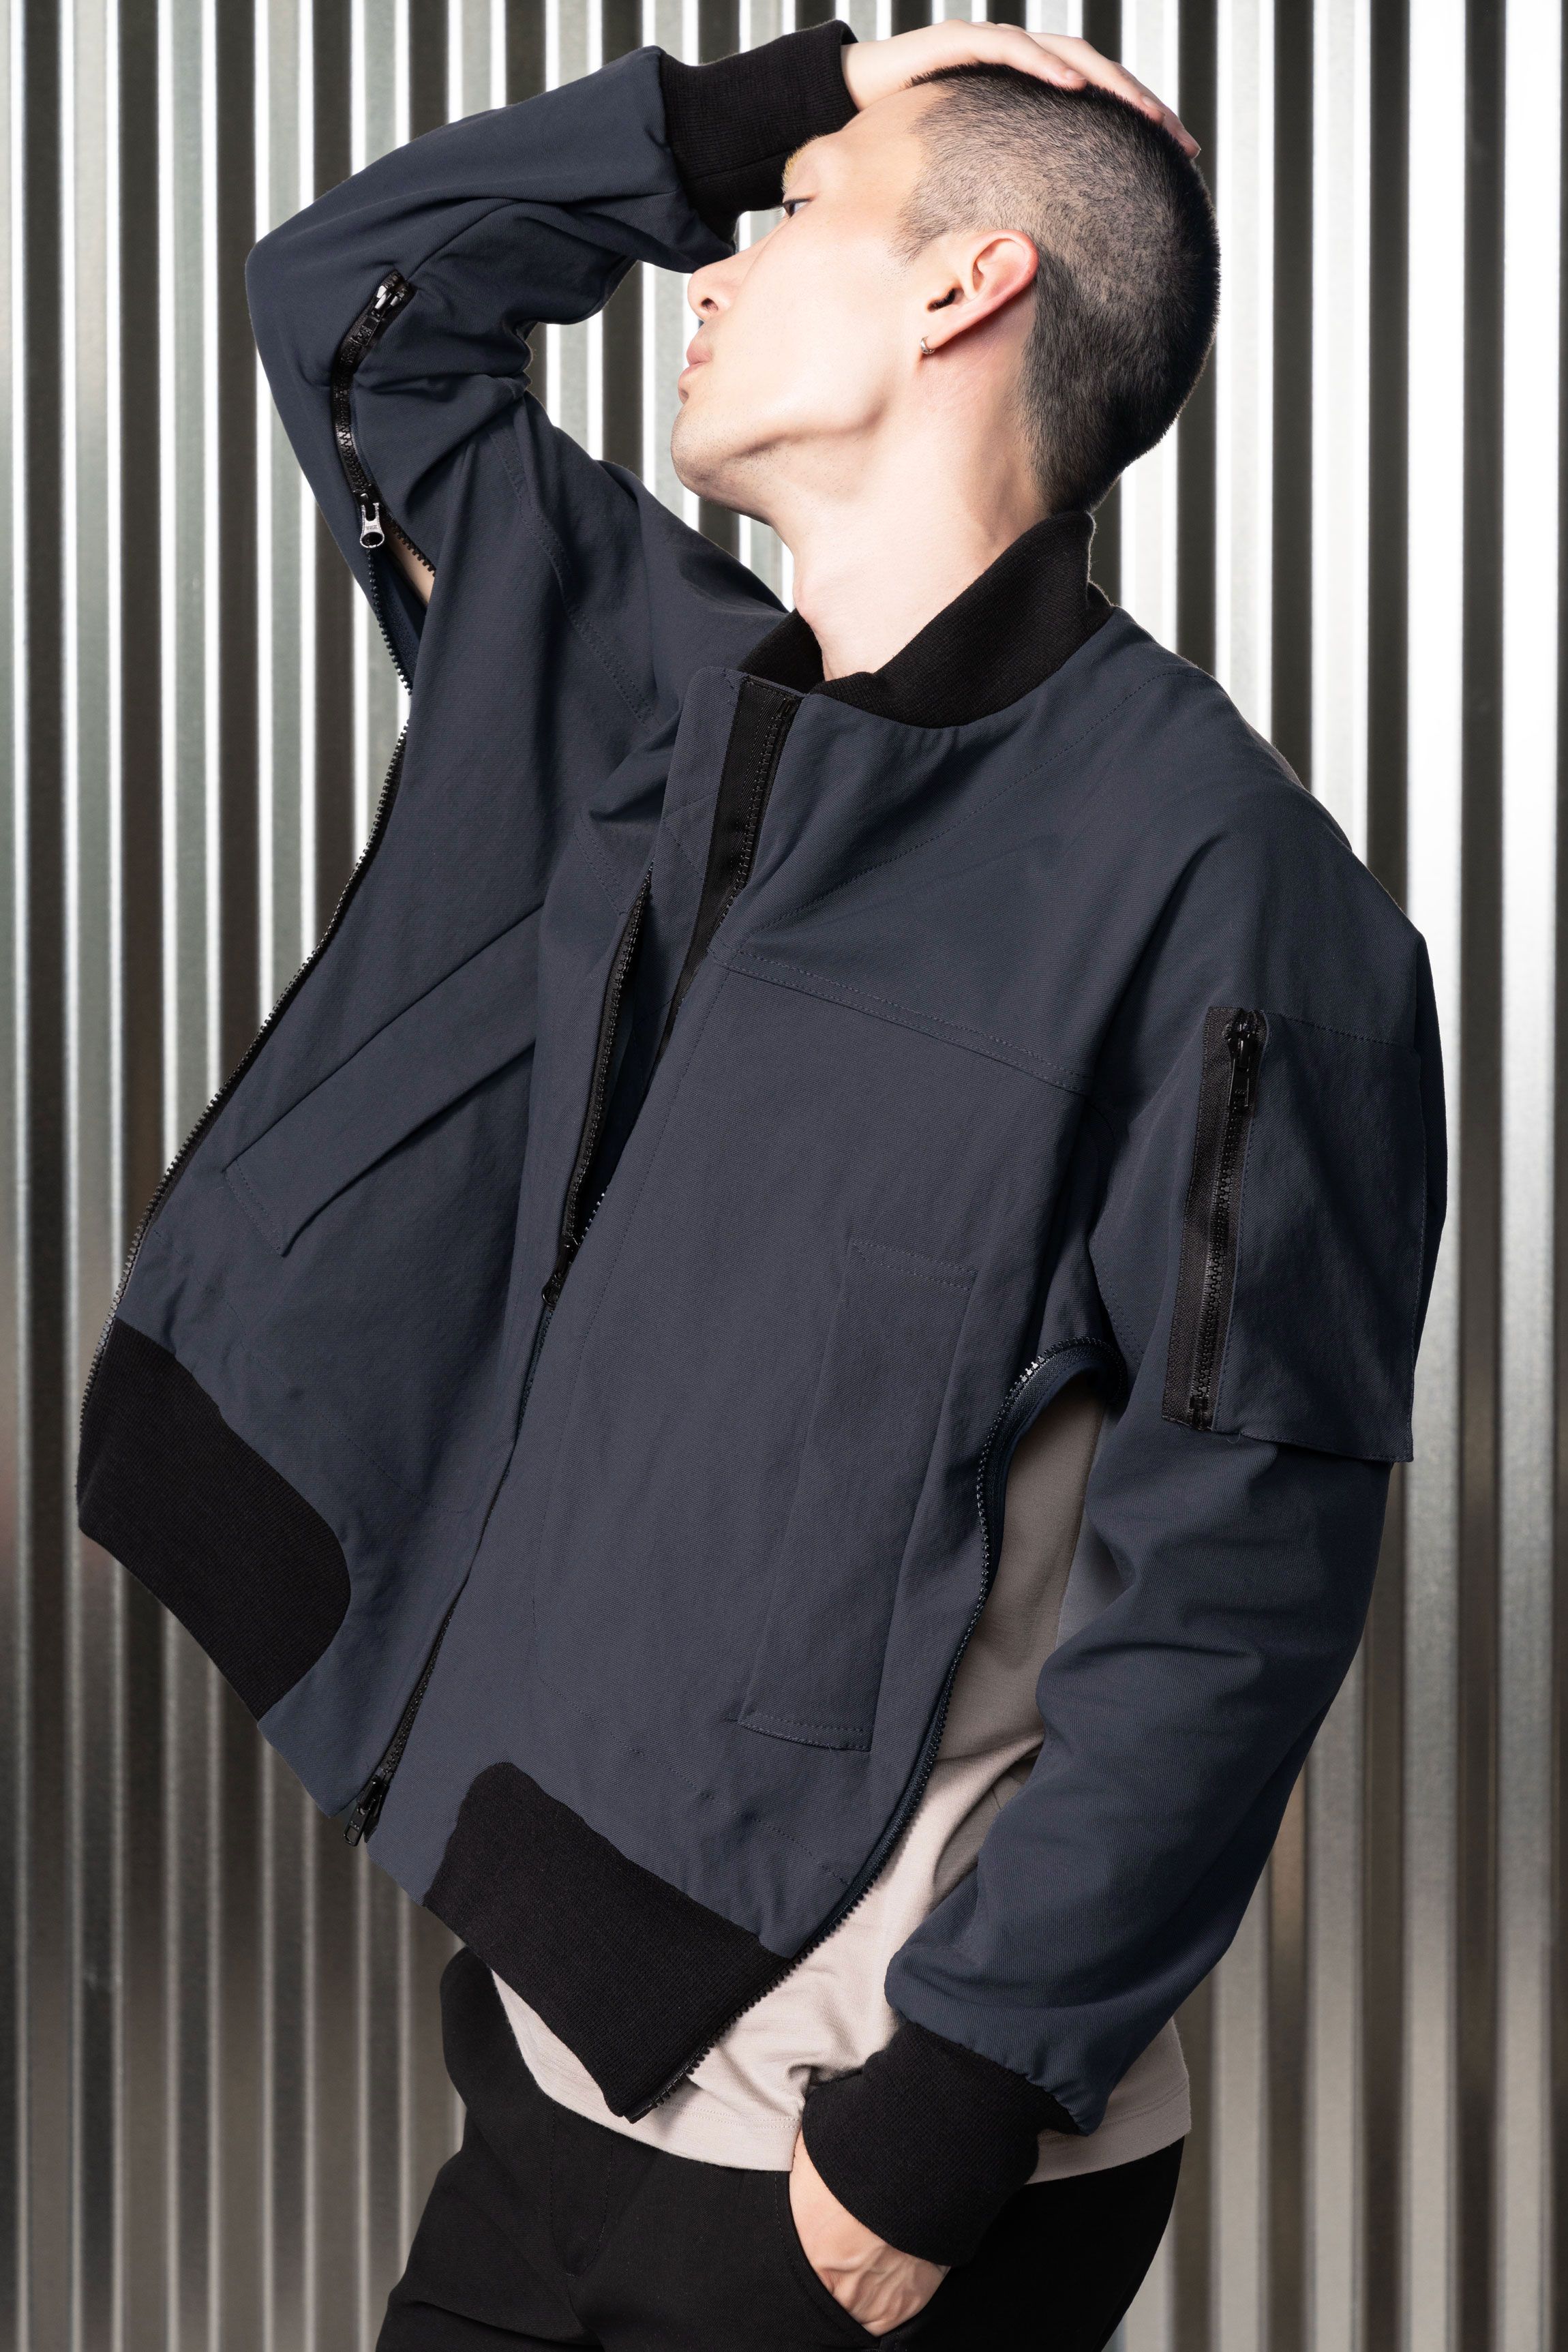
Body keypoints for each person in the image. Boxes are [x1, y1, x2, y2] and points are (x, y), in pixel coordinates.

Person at [76, 18, 1445, 2348]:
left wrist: (956, 2099)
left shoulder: (1224, 894)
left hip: (857, 2153)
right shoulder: (651, 687)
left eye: (795, 209)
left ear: (966, 285)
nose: (707, 267)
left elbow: (1245, 1556)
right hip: (553, 2056)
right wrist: (762, 104)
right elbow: (351, 301)